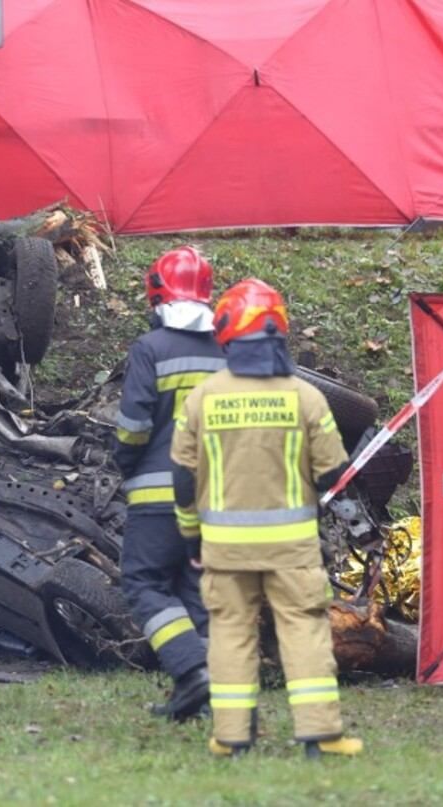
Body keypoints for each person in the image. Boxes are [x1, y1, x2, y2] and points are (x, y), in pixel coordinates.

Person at [170, 278, 364, 758]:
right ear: (280, 331)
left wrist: (192, 538)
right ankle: (320, 737)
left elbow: (181, 478)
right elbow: (334, 472)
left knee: (231, 635)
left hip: (223, 549)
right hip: (292, 548)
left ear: (227, 333)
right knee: (304, 631)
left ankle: (232, 739)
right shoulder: (306, 397)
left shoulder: (202, 398)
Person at [115, 246, 226, 721]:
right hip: (215, 499)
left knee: (143, 582)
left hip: (159, 498)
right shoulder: (228, 352)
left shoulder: (150, 349)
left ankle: (190, 671)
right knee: (197, 592)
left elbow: (133, 427)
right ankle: (200, 698)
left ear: (156, 294)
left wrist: (122, 459)